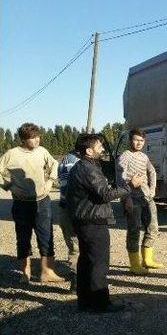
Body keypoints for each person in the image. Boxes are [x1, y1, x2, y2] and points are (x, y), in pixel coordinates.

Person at [66, 134, 143, 313]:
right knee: (99, 263)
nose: (102, 149)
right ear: (88, 151)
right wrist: (130, 186)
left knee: (86, 261)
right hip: (92, 222)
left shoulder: (84, 166)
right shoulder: (87, 168)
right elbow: (104, 194)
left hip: (85, 220)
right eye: (99, 146)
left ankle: (85, 301)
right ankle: (101, 303)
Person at [0, 122, 64, 284]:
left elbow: (54, 164)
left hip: (42, 202)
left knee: (46, 236)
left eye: (38, 137)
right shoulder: (11, 154)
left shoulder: (42, 151)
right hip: (21, 204)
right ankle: (25, 272)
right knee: (23, 237)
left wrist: (50, 181)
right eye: (32, 138)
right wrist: (7, 185)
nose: (37, 140)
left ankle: (47, 272)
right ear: (23, 139)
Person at [117, 128, 163, 275]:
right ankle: (135, 264)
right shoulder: (125, 156)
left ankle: (147, 260)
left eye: (141, 141)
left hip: (146, 197)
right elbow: (120, 178)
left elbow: (152, 171)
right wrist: (128, 189)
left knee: (153, 227)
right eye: (136, 140)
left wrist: (153, 188)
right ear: (130, 140)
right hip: (131, 198)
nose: (138, 143)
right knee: (134, 230)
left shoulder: (143, 156)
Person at [58, 150, 80, 292]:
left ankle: (76, 280)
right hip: (75, 209)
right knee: (78, 245)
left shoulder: (64, 161)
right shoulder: (75, 163)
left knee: (74, 246)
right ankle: (78, 281)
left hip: (65, 208)